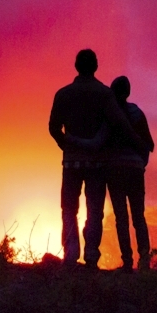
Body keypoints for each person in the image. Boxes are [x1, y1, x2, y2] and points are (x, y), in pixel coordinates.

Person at [47, 47, 142, 267]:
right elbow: (120, 123)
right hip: (98, 163)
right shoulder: (104, 94)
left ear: (76, 66)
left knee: (69, 207)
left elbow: (53, 128)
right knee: (95, 209)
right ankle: (91, 255)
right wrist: (138, 143)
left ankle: (71, 254)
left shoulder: (63, 94)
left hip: (71, 162)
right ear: (96, 66)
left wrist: (67, 146)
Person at [103, 75, 155, 270]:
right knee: (138, 216)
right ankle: (144, 260)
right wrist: (141, 164)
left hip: (115, 172)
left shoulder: (108, 115)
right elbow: (149, 144)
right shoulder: (137, 113)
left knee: (121, 218)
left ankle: (127, 261)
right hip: (135, 171)